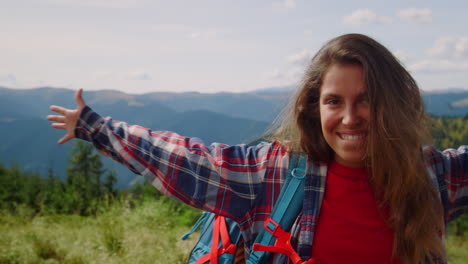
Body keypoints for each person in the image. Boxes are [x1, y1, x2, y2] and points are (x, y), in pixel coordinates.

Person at [47, 33, 467, 264]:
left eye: (367, 100)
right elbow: (186, 160)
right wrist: (97, 128)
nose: (350, 117)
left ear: (392, 105)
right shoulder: (274, 175)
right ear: (314, 107)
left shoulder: (432, 177)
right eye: (334, 101)